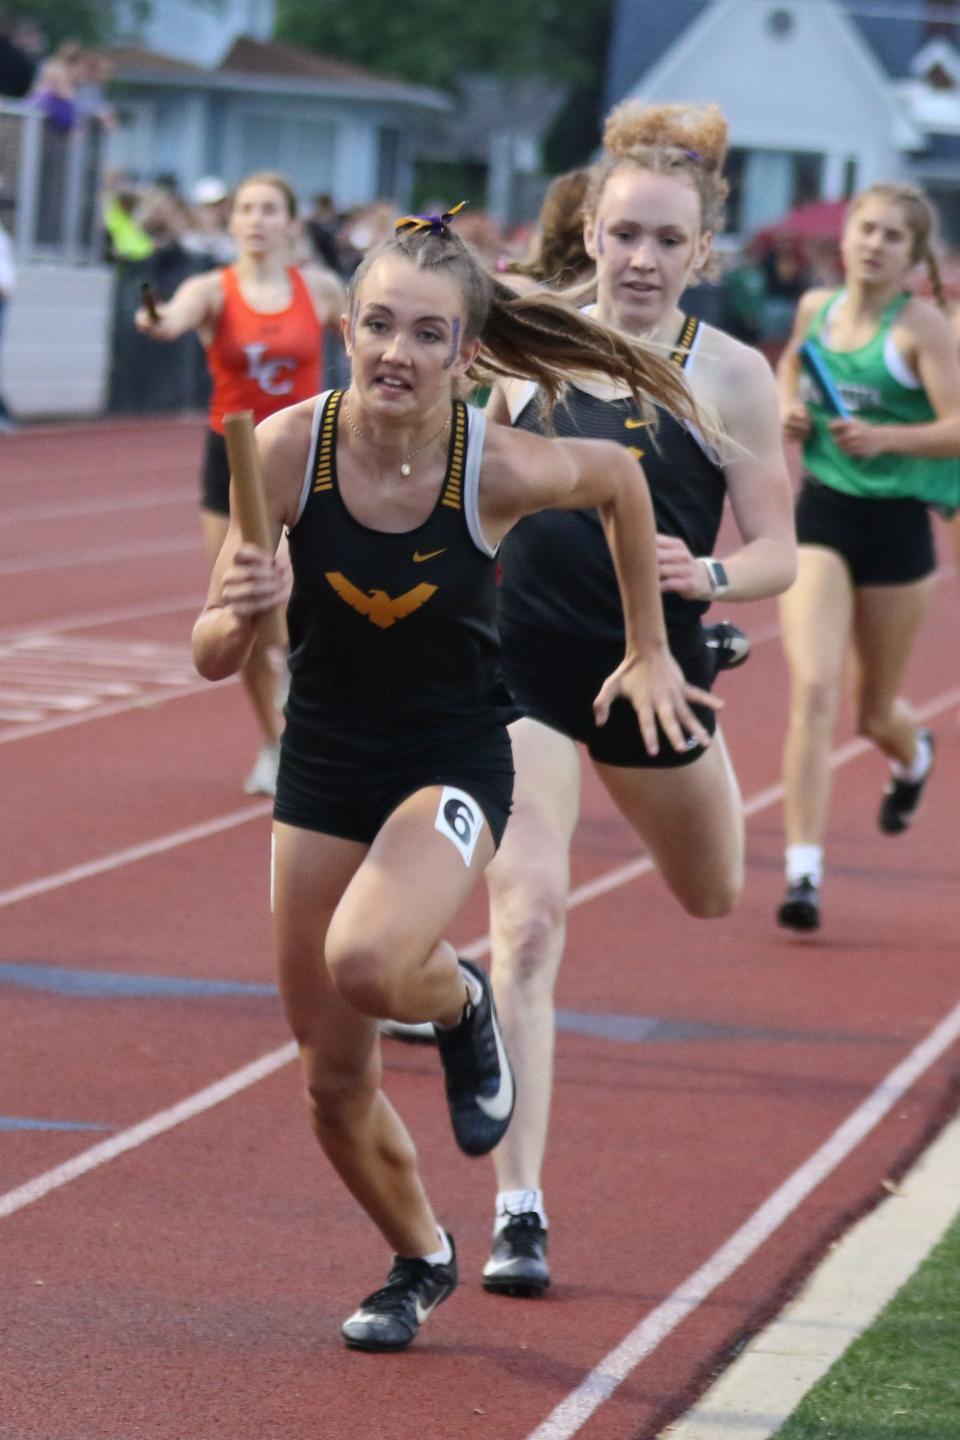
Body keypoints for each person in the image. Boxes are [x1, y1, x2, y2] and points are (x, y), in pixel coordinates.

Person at [191, 207, 723, 1352]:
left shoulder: (500, 464)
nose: (398, 352)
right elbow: (211, 653)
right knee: (331, 1079)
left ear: (466, 354)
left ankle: (466, 1000)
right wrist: (238, 614)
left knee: (373, 959)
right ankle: (419, 1257)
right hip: (324, 761)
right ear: (347, 329)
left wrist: (647, 645)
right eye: (378, 325)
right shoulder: (285, 450)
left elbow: (624, 483)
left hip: (450, 756)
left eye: (427, 334)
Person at [474, 102, 796, 1298]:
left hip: (658, 677)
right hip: (527, 675)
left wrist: (706, 577)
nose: (643, 259)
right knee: (532, 916)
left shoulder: (731, 376)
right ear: (591, 237)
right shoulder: (529, 344)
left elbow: (780, 553)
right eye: (623, 235)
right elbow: (459, 487)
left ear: (703, 251)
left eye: (667, 239)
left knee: (713, 894)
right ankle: (520, 1210)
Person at [775, 182, 960, 933]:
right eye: (866, 228)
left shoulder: (921, 327)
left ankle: (912, 753)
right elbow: (793, 364)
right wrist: (789, 405)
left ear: (915, 258)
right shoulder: (816, 309)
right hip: (822, 513)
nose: (874, 243)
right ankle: (803, 873)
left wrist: (886, 439)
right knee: (813, 689)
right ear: (845, 238)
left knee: (872, 712)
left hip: (897, 529)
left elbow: (957, 426)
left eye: (892, 236)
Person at [136, 171, 346, 796]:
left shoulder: (323, 288)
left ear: (291, 223)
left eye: (269, 209)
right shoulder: (214, 290)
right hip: (230, 462)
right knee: (243, 601)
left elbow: (368, 326)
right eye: (246, 209)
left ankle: (315, 710)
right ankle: (274, 741)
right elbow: (174, 316)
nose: (255, 219)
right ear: (232, 223)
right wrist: (158, 319)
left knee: (312, 603)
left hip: (308, 457)